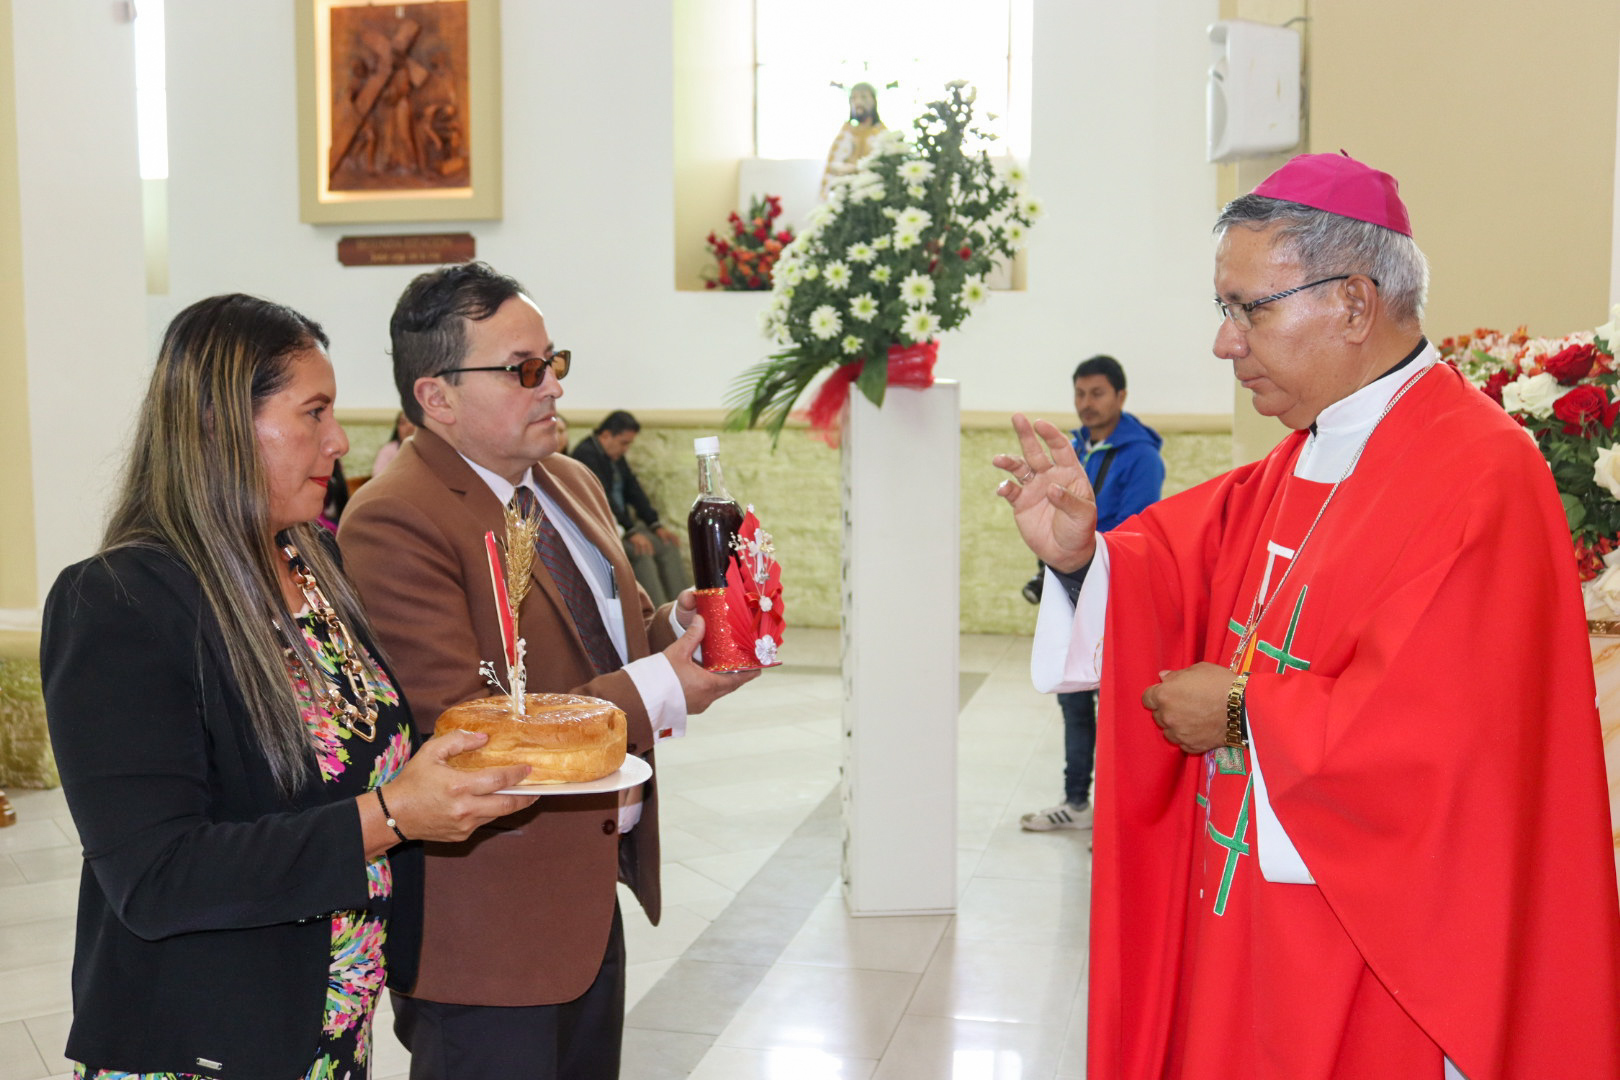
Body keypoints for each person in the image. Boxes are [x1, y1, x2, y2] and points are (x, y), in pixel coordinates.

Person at [997, 153, 1620, 1078]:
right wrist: (1083, 554)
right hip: (1246, 921)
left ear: (1355, 304)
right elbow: (1173, 570)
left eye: (1247, 308)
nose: (1225, 343)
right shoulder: (1303, 459)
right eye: (1224, 308)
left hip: (1375, 963)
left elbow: (1455, 745)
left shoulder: (1480, 472)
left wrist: (1242, 712)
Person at [38, 294, 535, 1079]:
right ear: (218, 425)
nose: (338, 440)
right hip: (209, 1042)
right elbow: (156, 876)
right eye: (314, 412)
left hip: (331, 1020)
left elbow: (354, 756)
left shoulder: (315, 561)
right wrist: (391, 815)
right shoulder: (121, 602)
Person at [338, 261, 757, 1079]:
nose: (554, 386)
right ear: (437, 397)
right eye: (523, 369)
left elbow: (614, 641)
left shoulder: (569, 481)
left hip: (586, 891)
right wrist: (666, 687)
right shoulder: (395, 518)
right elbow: (468, 730)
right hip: (488, 926)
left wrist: (686, 626)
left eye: (553, 361)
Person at [1020, 355, 1163, 832]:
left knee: (1118, 708)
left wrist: (1078, 541)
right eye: (1080, 393)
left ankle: (1118, 812)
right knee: (1073, 700)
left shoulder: (1141, 456)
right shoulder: (1075, 448)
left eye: (1097, 393)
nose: (1087, 403)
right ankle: (1077, 802)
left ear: (1121, 396)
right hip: (1070, 589)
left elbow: (1135, 528)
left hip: (1114, 595)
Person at [571, 410, 693, 607]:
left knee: (667, 545)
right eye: (624, 443)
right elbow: (603, 500)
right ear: (606, 435)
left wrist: (654, 524)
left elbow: (634, 490)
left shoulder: (614, 455)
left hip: (625, 526)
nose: (626, 449)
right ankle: (659, 614)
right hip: (604, 530)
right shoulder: (586, 456)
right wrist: (631, 531)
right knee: (641, 550)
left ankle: (685, 607)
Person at [820, 81, 886, 197]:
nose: (858, 102)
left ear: (874, 101)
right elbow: (832, 165)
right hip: (847, 193)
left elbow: (886, 166)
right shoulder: (846, 132)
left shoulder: (882, 133)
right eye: (853, 98)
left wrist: (856, 169)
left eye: (863, 97)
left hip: (874, 193)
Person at [372, 410, 417, 476]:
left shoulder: (429, 450)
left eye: (413, 422)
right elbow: (377, 476)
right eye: (403, 423)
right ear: (397, 428)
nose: (409, 427)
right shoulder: (388, 450)